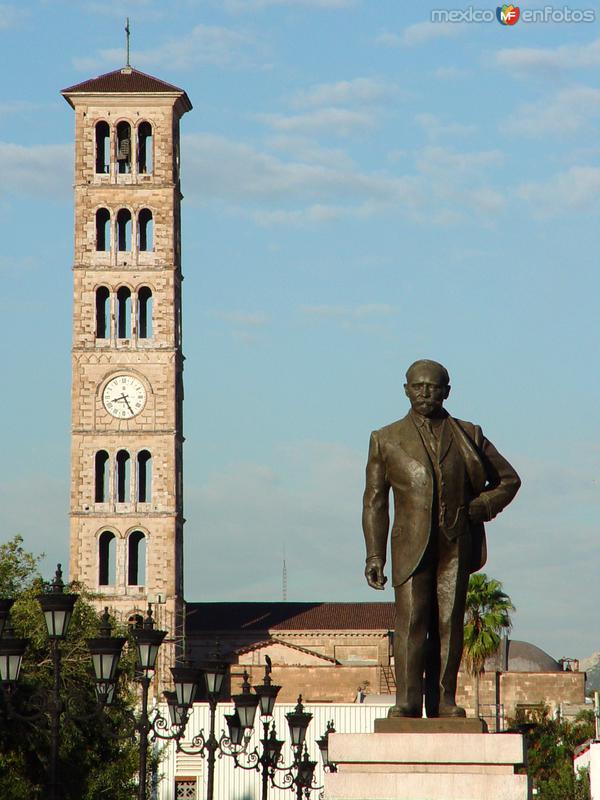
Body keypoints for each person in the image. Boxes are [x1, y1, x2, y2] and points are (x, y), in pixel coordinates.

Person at [362, 359, 520, 718]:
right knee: (412, 622)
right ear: (405, 389)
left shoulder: (469, 435)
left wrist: (483, 506)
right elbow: (374, 501)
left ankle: (444, 700)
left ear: (447, 391)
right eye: (418, 386)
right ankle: (406, 701)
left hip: (455, 541)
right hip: (409, 545)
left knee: (449, 623)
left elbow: (509, 480)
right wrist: (375, 555)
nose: (425, 393)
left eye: (433, 387)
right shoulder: (384, 439)